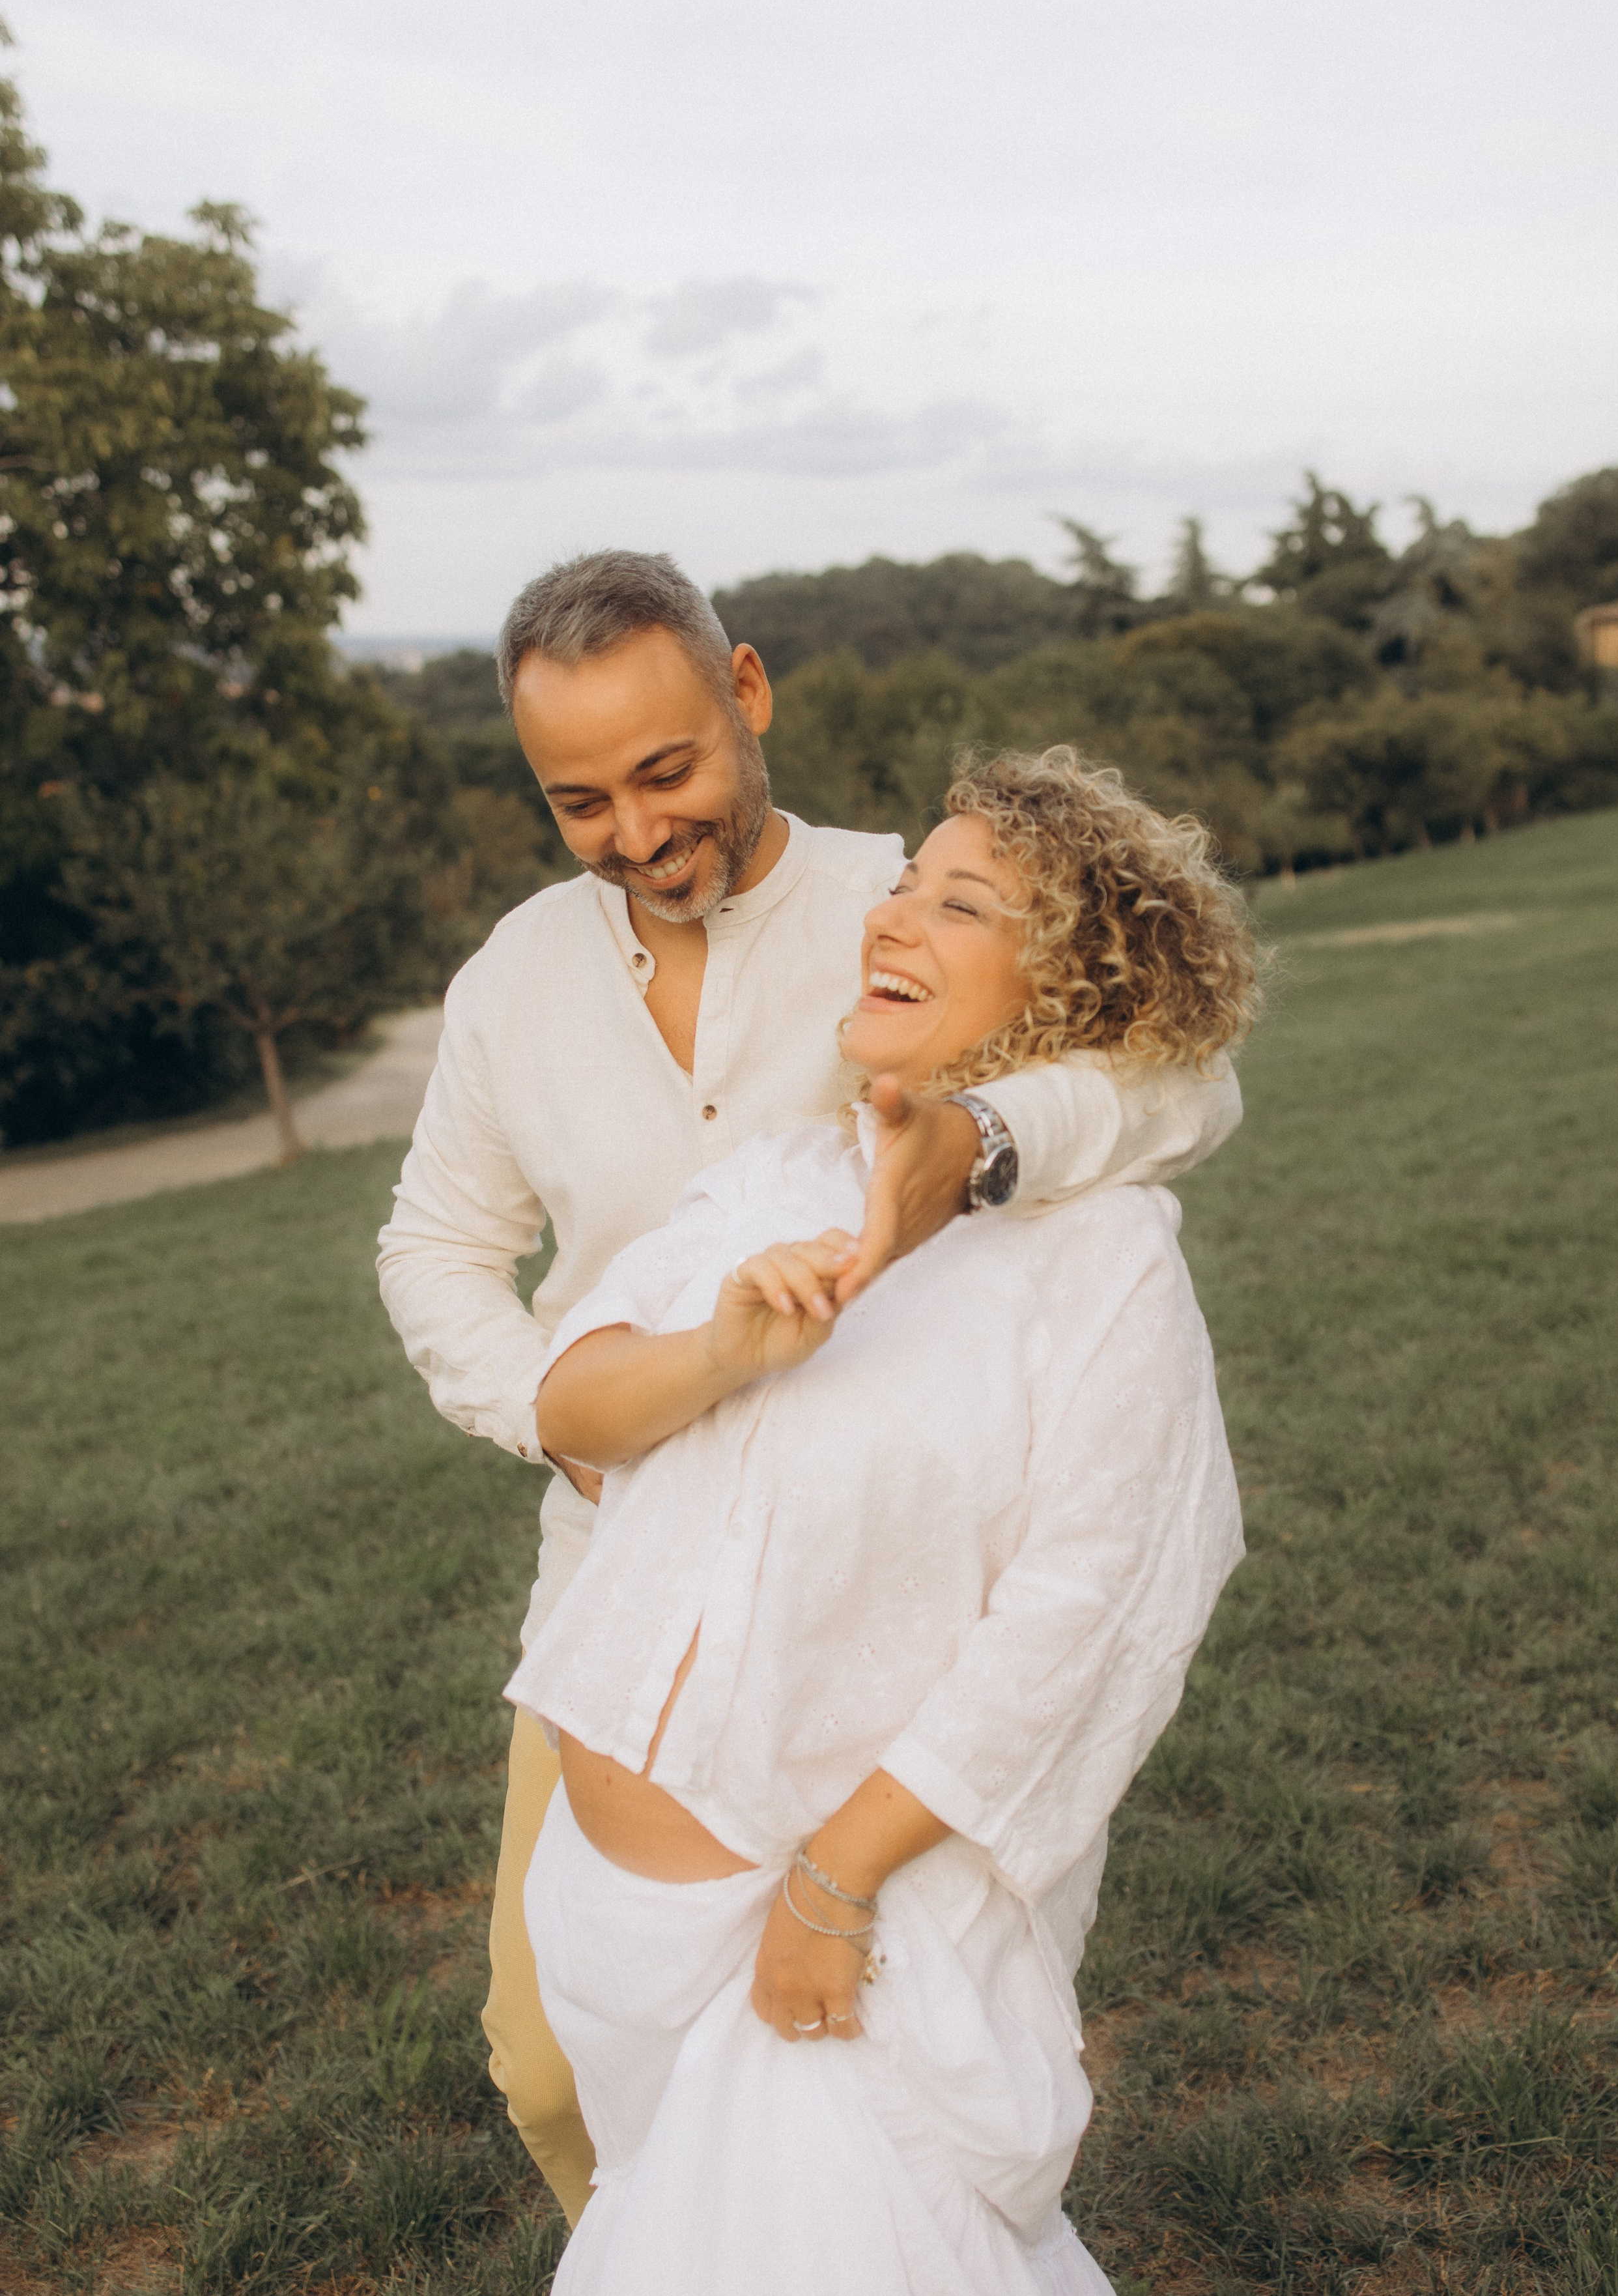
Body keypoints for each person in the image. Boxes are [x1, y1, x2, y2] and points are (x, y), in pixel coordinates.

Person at [377, 553, 1243, 2226]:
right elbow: (432, 1249)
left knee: (854, 2094)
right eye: (579, 801)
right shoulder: (513, 979)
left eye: (666, 771)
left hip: (870, 1584)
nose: (638, 833)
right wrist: (573, 1428)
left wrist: (978, 1146)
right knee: (550, 2068)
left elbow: (1179, 1083)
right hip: (624, 1574)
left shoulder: (896, 903)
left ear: (748, 691)